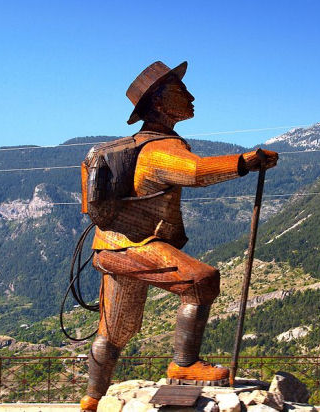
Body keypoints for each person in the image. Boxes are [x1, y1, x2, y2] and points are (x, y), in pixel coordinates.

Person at [79, 61, 278, 411]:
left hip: (111, 247)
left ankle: (92, 400)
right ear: (157, 101)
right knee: (201, 280)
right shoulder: (160, 149)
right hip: (135, 246)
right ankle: (184, 364)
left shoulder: (139, 146)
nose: (191, 96)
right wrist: (245, 161)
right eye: (180, 90)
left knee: (115, 331)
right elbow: (196, 172)